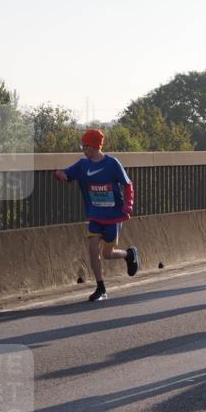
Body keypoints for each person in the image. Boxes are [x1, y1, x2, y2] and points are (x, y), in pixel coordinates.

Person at [54, 129, 139, 302]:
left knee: (107, 254)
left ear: (95, 146)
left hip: (113, 216)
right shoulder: (83, 165)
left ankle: (129, 254)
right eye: (82, 146)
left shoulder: (112, 163)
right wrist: (60, 174)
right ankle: (100, 287)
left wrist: (128, 204)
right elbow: (67, 173)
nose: (84, 150)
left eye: (86, 146)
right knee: (93, 249)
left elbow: (128, 184)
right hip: (94, 215)